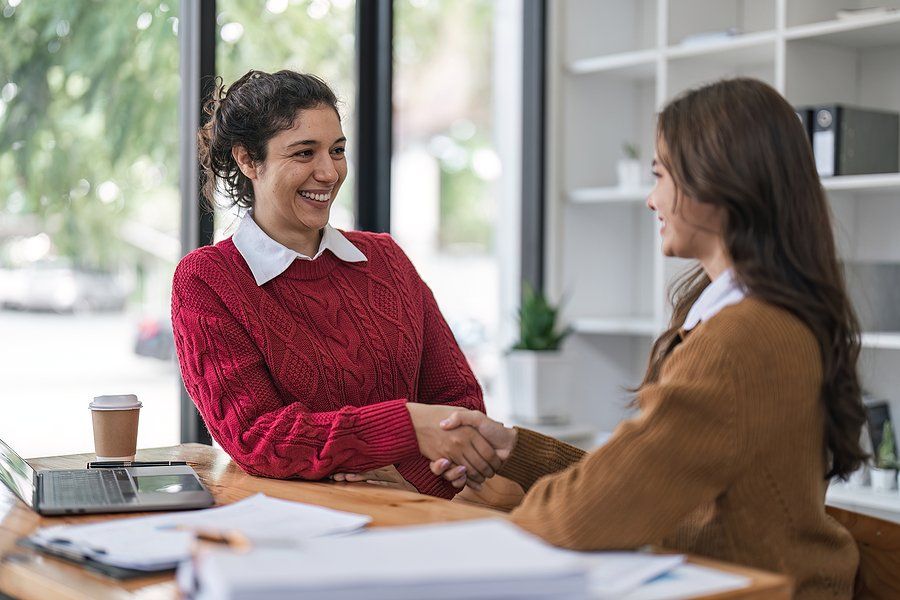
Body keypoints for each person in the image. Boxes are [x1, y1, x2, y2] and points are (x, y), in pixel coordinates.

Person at [431, 78, 866, 598]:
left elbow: (597, 510)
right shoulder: (757, 316)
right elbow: (646, 479)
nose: (650, 198)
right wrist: (517, 452)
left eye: (660, 174)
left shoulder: (743, 336)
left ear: (717, 181)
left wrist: (497, 536)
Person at [171, 69, 499, 499]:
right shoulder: (207, 281)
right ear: (249, 160)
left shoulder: (385, 258)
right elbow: (259, 438)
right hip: (300, 531)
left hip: (422, 515)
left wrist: (404, 475)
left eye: (337, 150)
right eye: (304, 153)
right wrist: (408, 429)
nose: (329, 172)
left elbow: (460, 403)